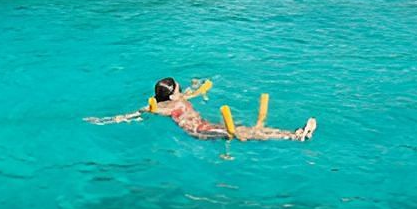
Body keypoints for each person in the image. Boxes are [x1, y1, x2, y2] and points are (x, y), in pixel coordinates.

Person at [88, 77, 317, 141]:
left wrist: (198, 85)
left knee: (245, 130)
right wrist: (106, 120)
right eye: (179, 86)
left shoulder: (170, 101)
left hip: (205, 126)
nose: (182, 88)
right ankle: (293, 136)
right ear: (174, 91)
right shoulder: (166, 108)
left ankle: (292, 134)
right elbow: (136, 115)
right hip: (200, 131)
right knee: (244, 133)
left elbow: (136, 113)